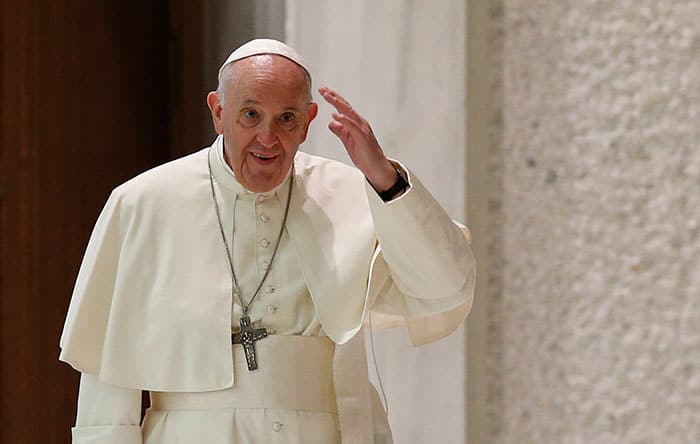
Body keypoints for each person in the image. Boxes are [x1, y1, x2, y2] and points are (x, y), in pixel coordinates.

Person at [59, 38, 475, 444]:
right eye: (251, 115)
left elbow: (445, 287)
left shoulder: (349, 194)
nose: (267, 138)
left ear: (309, 121)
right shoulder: (143, 203)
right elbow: (106, 376)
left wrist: (384, 179)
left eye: (287, 119)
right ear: (218, 112)